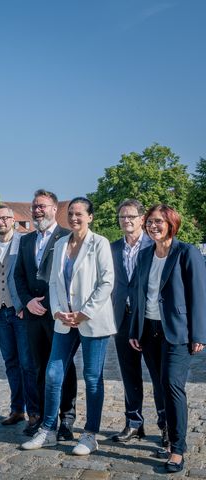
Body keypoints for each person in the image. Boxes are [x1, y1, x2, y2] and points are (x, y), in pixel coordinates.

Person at [21, 197, 116, 455]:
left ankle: (89, 435)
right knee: (53, 373)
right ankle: (49, 430)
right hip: (64, 321)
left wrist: (84, 313)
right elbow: (54, 282)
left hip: (92, 320)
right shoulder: (62, 243)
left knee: (92, 378)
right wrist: (57, 312)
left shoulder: (100, 243)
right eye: (71, 213)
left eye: (79, 214)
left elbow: (107, 283)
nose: (74, 218)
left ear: (90, 217)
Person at [129, 204, 206, 473]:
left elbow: (199, 295)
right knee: (160, 386)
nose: (153, 226)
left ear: (171, 223)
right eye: (149, 222)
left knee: (173, 386)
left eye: (159, 221)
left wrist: (199, 334)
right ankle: (165, 431)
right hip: (149, 331)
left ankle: (177, 448)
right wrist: (134, 330)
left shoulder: (187, 252)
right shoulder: (145, 254)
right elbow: (138, 295)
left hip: (178, 332)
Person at [14, 189, 77, 439]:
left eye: (42, 206)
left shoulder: (67, 236)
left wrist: (60, 306)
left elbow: (72, 276)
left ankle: (67, 418)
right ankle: (40, 417)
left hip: (58, 315)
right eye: (34, 206)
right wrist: (27, 301)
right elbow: (18, 275)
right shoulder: (26, 240)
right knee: (38, 367)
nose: (37, 210)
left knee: (64, 367)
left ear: (54, 208)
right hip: (33, 316)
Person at [109, 199, 166, 445]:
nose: (127, 221)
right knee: (129, 374)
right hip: (122, 319)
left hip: (150, 320)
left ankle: (166, 426)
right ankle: (134, 423)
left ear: (142, 219)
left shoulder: (155, 246)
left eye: (131, 216)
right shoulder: (111, 248)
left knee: (159, 376)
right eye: (122, 217)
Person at [0, 206, 38, 427]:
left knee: (27, 363)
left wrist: (25, 303)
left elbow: (30, 275)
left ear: (13, 220)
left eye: (5, 217)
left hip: (20, 311)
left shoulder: (24, 243)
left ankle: (34, 410)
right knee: (10, 363)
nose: (1, 222)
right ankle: (17, 409)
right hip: (0, 312)